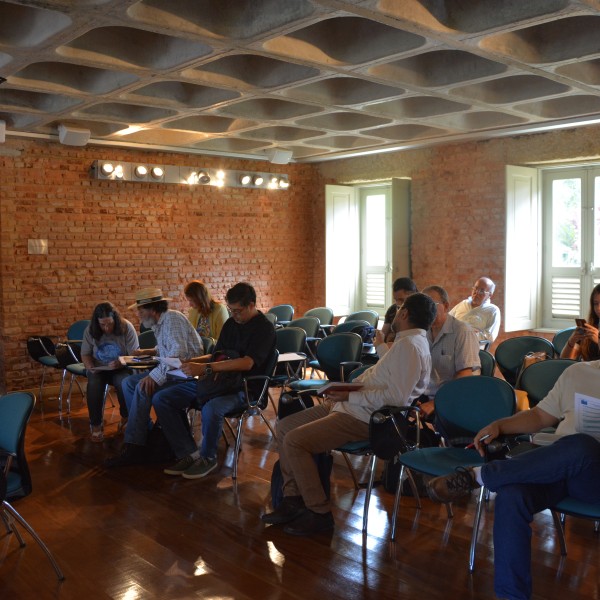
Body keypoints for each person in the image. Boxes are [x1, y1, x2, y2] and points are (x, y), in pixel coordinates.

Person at [261, 292, 436, 536]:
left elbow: (394, 399)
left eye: (399, 308)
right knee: (284, 427)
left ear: (405, 313)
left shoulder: (410, 346)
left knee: (294, 441)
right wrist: (347, 391)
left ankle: (318, 513)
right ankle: (293, 500)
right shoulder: (408, 343)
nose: (396, 311)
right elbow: (388, 383)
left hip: (363, 417)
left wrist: (350, 395)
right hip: (351, 406)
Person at [426, 360, 600, 600]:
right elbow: (540, 416)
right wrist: (500, 425)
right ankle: (511, 596)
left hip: (593, 480)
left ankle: (478, 475)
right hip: (557, 466)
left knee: (583, 445)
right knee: (511, 495)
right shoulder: (579, 372)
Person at [154, 282, 276, 479]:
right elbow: (216, 356)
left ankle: (208, 458)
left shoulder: (264, 329)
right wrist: (190, 361)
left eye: (237, 311)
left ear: (252, 305)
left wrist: (207, 368)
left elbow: (247, 363)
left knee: (212, 408)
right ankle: (188, 453)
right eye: (230, 310)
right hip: (217, 382)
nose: (233, 315)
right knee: (163, 398)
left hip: (244, 389)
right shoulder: (231, 324)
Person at [105, 287, 203, 467]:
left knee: (143, 386)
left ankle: (134, 447)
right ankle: (144, 432)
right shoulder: (161, 323)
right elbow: (167, 348)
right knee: (128, 383)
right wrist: (148, 351)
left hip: (185, 373)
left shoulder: (172, 319)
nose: (139, 315)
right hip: (173, 370)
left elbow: (178, 354)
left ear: (152, 309)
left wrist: (153, 377)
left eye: (141, 311)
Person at [416, 285, 480, 421]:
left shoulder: (462, 332)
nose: (425, 310)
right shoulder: (423, 331)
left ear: (446, 306)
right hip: (427, 393)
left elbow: (465, 376)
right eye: (422, 305)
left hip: (455, 397)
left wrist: (435, 403)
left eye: (431, 304)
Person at [80, 302, 140, 442]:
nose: (106, 328)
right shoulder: (90, 330)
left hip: (122, 367)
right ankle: (96, 425)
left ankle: (125, 418)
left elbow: (135, 355)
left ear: (116, 320)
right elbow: (85, 354)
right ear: (97, 323)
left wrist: (121, 362)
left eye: (110, 324)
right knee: (94, 383)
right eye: (102, 325)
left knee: (123, 382)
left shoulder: (127, 327)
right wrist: (90, 367)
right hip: (99, 368)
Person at [449, 276, 501, 344]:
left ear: (490, 295)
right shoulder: (463, 303)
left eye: (482, 291)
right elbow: (447, 321)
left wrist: (466, 334)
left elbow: (489, 337)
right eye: (475, 289)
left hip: (473, 348)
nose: (476, 293)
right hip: (452, 344)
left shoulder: (493, 311)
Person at [560, 283, 600, 360]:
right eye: (595, 303)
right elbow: (564, 360)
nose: (598, 308)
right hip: (586, 370)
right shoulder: (591, 329)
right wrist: (572, 341)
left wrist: (598, 341)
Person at [381, 277, 418, 342]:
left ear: (412, 295)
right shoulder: (392, 309)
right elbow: (383, 335)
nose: (398, 304)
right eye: (396, 300)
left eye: (401, 300)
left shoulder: (421, 311)